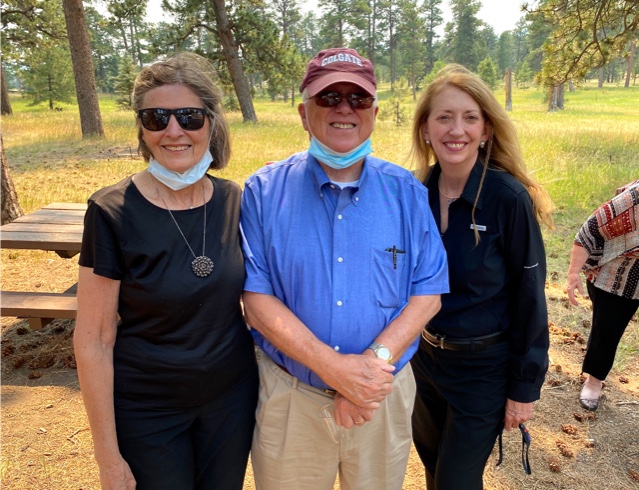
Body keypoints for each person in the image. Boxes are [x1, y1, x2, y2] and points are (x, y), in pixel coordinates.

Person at [240, 47, 449, 490]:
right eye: (329, 97)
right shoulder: (262, 191)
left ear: (373, 113)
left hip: (380, 396)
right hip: (292, 397)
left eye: (358, 98)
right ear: (304, 113)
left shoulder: (407, 193)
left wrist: (369, 369)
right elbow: (256, 301)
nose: (344, 108)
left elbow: (428, 292)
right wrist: (335, 369)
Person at [73, 52, 258, 490]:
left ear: (211, 123)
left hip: (230, 402)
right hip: (147, 409)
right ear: (142, 129)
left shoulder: (234, 201)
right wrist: (107, 458)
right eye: (157, 118)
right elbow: (94, 339)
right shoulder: (111, 211)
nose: (174, 131)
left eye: (189, 117)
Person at [409, 64, 554, 490]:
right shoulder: (414, 193)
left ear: (486, 130)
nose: (457, 130)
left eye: (470, 117)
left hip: (483, 368)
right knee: (433, 464)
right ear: (425, 129)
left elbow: (530, 297)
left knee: (456, 480)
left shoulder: (508, 199)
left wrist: (523, 388)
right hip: (424, 360)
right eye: (444, 117)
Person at [567, 179, 639, 411]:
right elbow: (589, 231)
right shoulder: (635, 198)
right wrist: (573, 273)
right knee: (607, 330)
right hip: (617, 276)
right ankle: (594, 381)